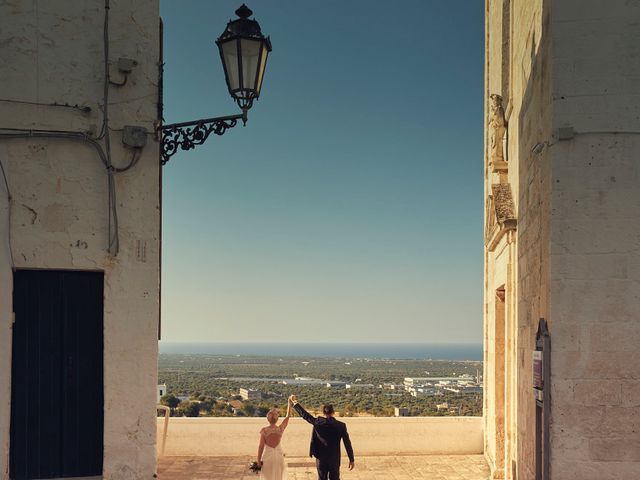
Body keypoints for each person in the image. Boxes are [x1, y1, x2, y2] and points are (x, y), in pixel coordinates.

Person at [290, 394, 354, 480]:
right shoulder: (341, 426)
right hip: (334, 459)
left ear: (324, 412)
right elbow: (347, 443)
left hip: (321, 458)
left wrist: (295, 402)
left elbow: (305, 415)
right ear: (333, 412)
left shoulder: (317, 422)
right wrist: (351, 459)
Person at [256, 397, 292, 480]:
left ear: (268, 418)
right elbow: (287, 417)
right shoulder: (280, 429)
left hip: (267, 457)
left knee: (267, 476)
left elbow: (261, 446)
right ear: (277, 418)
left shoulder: (264, 430)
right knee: (278, 476)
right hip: (278, 456)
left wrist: (258, 460)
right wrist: (289, 404)